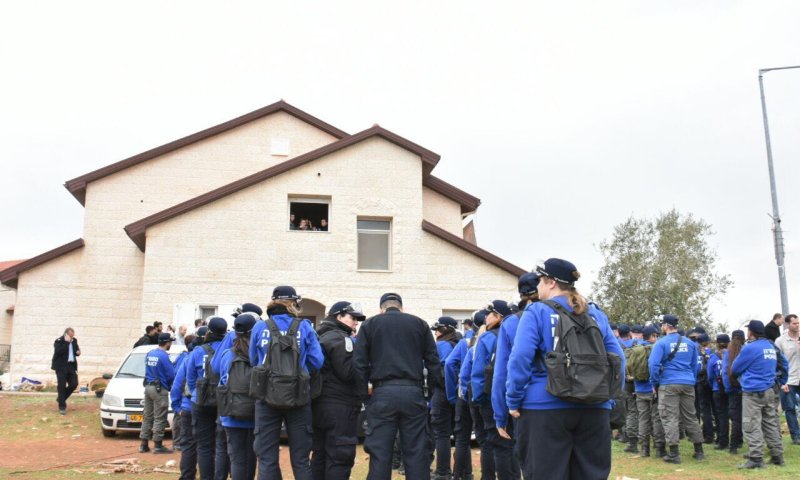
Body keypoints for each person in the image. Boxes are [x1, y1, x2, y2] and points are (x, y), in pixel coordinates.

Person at [506, 258, 624, 479]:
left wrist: (513, 400)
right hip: (594, 406)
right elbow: (618, 359)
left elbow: (520, 358)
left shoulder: (537, 312)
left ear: (551, 282)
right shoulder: (595, 314)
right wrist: (611, 398)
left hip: (544, 407)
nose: (538, 285)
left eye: (540, 280)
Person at [353, 293, 443, 480]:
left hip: (382, 392)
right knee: (417, 452)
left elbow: (359, 364)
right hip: (413, 391)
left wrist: (364, 396)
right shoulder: (419, 324)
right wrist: (429, 393)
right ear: (401, 307)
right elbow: (434, 362)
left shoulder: (370, 325)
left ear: (381, 308)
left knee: (380, 453)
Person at [250, 286, 324, 480]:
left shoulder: (260, 326)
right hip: (299, 397)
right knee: (301, 460)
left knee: (266, 458)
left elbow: (253, 360)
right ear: (294, 304)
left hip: (266, 396)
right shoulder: (305, 326)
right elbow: (317, 362)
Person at [312, 301, 365, 480]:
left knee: (320, 455)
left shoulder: (318, 336)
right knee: (340, 455)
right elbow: (348, 372)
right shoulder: (340, 338)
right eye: (353, 318)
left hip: (319, 404)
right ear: (339, 316)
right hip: (339, 406)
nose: (356, 322)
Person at [492, 273, 539, 473]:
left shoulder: (512, 323)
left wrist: (500, 415)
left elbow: (502, 373)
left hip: (526, 403)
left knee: (530, 464)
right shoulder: (566, 314)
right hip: (570, 399)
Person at [648, 314, 705, 464]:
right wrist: (690, 379)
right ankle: (699, 451)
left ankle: (674, 454)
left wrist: (655, 383)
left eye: (662, 325)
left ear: (666, 326)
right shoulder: (690, 343)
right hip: (687, 383)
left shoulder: (661, 343)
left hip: (669, 383)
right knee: (690, 417)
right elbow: (695, 365)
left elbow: (653, 365)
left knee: (669, 417)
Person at [473, 300, 519, 480]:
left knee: (495, 444)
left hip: (492, 396)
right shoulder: (517, 331)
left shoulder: (487, 337)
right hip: (515, 395)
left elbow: (477, 372)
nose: (486, 316)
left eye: (490, 313)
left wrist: (477, 398)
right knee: (514, 443)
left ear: (499, 316)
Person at [731, 320, 786, 468]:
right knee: (770, 424)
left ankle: (756, 459)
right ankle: (777, 456)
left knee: (751, 424)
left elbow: (735, 368)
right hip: (770, 389)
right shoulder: (770, 346)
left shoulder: (750, 348)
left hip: (753, 391)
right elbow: (783, 363)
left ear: (751, 332)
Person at [186, 316, 228, 479]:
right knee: (222, 445)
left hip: (201, 401)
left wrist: (197, 393)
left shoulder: (198, 351)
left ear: (208, 331)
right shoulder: (228, 349)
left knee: (204, 446)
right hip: (222, 401)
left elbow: (190, 379)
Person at [218, 313, 258, 480]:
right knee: (252, 455)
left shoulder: (228, 354)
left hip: (232, 412)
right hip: (255, 412)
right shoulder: (259, 352)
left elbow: (221, 376)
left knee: (237, 458)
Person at [429, 316, 459, 480]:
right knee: (458, 435)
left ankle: (442, 472)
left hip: (441, 393)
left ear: (445, 330)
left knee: (441, 434)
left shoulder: (442, 345)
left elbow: (441, 371)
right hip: (456, 394)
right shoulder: (458, 343)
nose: (436, 333)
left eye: (438, 330)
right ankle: (461, 472)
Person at [140, 332, 176, 454]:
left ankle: (143, 444)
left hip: (149, 386)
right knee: (160, 416)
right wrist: (171, 385)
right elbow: (171, 374)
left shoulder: (150, 354)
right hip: (160, 389)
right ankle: (158, 445)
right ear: (167, 343)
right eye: (170, 342)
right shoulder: (164, 356)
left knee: (148, 416)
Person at [633, 325, 665, 458]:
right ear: (652, 336)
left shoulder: (635, 349)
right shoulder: (656, 348)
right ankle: (659, 449)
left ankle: (644, 450)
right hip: (653, 388)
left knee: (643, 420)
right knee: (657, 419)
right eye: (656, 336)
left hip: (639, 389)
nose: (657, 338)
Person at [172, 334, 198, 479]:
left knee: (188, 446)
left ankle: (187, 477)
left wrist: (177, 408)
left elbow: (177, 384)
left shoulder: (188, 358)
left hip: (188, 407)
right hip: (211, 409)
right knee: (209, 447)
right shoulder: (217, 355)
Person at [775, 313, 800, 445]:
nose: (797, 325)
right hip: (789, 379)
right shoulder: (780, 341)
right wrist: (781, 381)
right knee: (790, 408)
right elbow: (777, 362)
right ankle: (796, 436)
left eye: (798, 323)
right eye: (794, 323)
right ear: (787, 324)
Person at [722, 330, 745, 455]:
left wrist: (728, 388)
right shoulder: (746, 350)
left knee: (735, 419)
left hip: (733, 389)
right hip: (745, 389)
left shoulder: (727, 353)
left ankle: (733, 446)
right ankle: (740, 441)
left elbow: (725, 372)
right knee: (746, 417)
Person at [618, 324, 638, 450]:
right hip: (637, 380)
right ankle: (639, 435)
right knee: (635, 410)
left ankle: (627, 436)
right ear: (630, 333)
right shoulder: (637, 344)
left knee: (626, 409)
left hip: (623, 381)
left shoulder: (616, 344)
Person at [708, 334, 730, 451]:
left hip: (717, 388)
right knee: (734, 416)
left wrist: (713, 386)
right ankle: (738, 440)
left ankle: (722, 441)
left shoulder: (713, 357)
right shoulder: (733, 355)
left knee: (721, 416)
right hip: (731, 389)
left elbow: (710, 376)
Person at [52, 327, 81, 415]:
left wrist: (78, 352)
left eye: (73, 336)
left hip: (71, 366)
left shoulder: (74, 340)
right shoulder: (59, 341)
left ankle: (61, 398)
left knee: (74, 384)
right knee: (62, 386)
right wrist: (66, 342)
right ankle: (62, 407)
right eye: (70, 336)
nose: (72, 338)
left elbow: (76, 350)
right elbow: (58, 352)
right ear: (66, 334)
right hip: (61, 367)